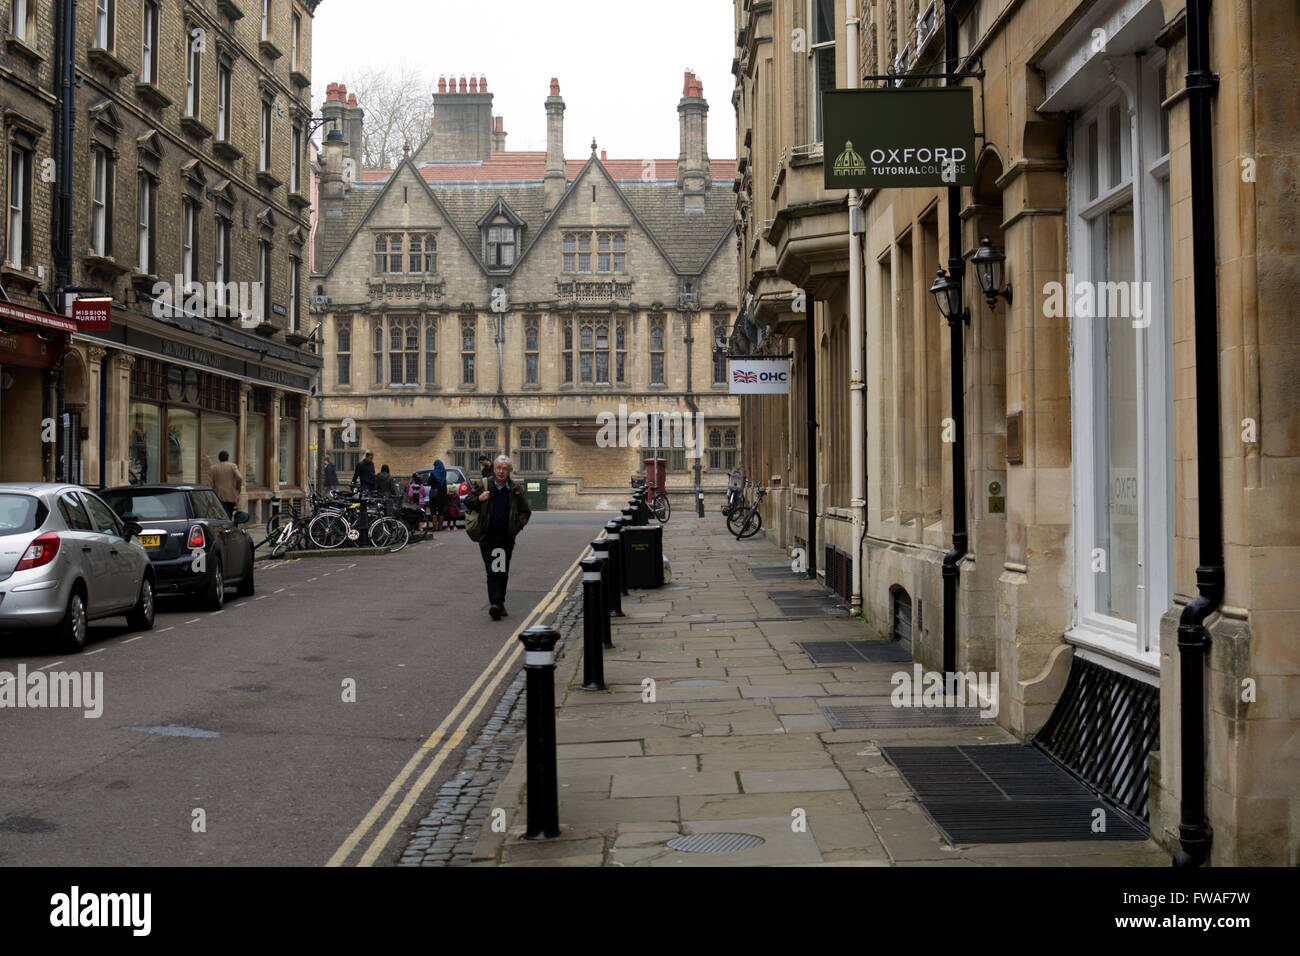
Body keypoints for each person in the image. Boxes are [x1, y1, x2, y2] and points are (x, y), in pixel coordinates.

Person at [466, 455, 532, 620]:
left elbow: (525, 511)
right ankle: (495, 603)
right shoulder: (484, 485)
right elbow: (468, 501)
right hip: (488, 537)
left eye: (505, 468)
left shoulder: (515, 489)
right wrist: (479, 499)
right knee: (492, 570)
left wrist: (516, 527)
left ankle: (499, 602)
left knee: (501, 570)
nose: (501, 471)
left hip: (505, 539)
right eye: (498, 468)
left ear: (509, 471)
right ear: (494, 469)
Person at [209, 450, 243, 518]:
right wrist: (237, 488)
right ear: (228, 457)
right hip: (230, 495)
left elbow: (209, 483)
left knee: (219, 515)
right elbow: (239, 478)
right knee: (229, 514)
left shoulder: (213, 468)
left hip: (218, 496)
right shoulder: (232, 466)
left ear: (219, 458)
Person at [429, 460, 449, 532]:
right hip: (442, 494)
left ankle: (435, 527)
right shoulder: (444, 472)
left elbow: (429, 482)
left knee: (433, 510)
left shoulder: (433, 473)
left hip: (434, 495)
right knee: (441, 511)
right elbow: (444, 482)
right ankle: (440, 527)